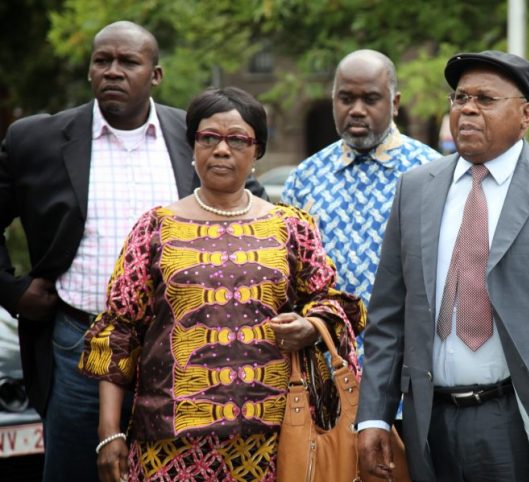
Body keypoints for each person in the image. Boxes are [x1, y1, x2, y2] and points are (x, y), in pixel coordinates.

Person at [0, 21, 265, 481]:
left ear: (155, 75)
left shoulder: (197, 135)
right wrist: (12, 289)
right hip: (79, 344)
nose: (113, 71)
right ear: (90, 70)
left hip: (182, 349)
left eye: (128, 62)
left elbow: (250, 205)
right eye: (102, 61)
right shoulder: (37, 140)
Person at [356, 50, 529, 482]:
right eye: (460, 97)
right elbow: (388, 318)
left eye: (485, 99)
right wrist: (373, 417)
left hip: (520, 422)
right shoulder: (416, 190)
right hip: (430, 422)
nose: (467, 109)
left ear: (526, 114)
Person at [78, 86, 365, 482]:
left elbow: (329, 300)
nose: (222, 150)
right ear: (192, 146)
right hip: (170, 443)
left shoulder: (291, 226)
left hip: (274, 439)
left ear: (257, 150)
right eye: (209, 138)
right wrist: (109, 432)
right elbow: (120, 331)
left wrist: (310, 326)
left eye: (238, 140)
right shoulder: (154, 228)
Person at [281, 49, 439, 376]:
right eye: (346, 98)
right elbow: (290, 276)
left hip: (408, 369)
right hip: (327, 371)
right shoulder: (305, 178)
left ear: (394, 103)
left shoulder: (432, 173)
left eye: (370, 99)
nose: (356, 110)